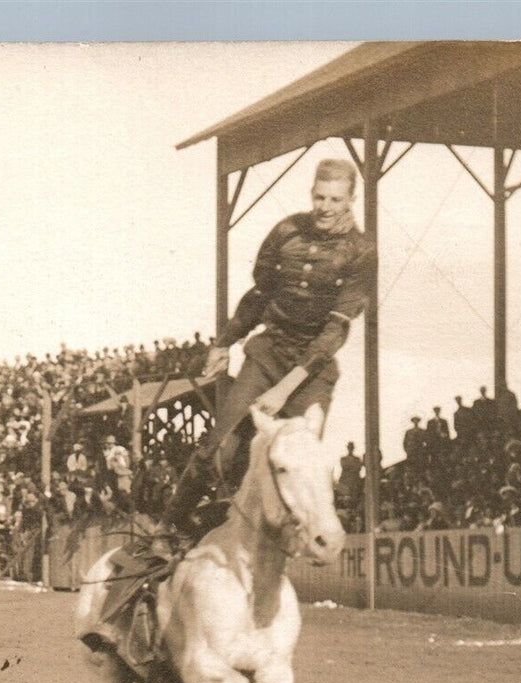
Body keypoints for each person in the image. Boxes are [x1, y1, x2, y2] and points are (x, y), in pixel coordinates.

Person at [158, 159, 376, 538]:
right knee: (220, 448)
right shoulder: (287, 231)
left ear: (351, 200)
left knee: (298, 460)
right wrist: (224, 343)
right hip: (268, 352)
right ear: (311, 194)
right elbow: (259, 295)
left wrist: (283, 389)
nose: (324, 207)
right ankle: (168, 528)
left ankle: (298, 541)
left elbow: (334, 333)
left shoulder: (361, 251)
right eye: (318, 196)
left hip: (312, 371)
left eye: (335, 199)